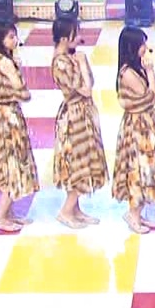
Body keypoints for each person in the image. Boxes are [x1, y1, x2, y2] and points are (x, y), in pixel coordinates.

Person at [112, 25, 155, 233]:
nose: (146, 48)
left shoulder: (135, 68)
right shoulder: (128, 73)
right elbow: (151, 96)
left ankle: (138, 213)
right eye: (142, 45)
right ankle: (133, 215)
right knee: (138, 170)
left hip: (145, 125)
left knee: (148, 169)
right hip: (137, 129)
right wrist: (150, 71)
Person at [0, 22, 40, 232]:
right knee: (12, 164)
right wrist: (18, 72)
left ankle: (9, 213)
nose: (15, 40)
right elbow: (23, 92)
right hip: (8, 118)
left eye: (15, 36)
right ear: (0, 40)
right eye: (10, 37)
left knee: (10, 162)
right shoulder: (5, 63)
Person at [50, 17, 107, 228]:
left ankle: (75, 210)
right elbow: (86, 88)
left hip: (81, 113)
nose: (80, 38)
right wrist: (82, 63)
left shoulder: (69, 57)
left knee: (83, 160)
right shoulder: (61, 63)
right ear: (65, 38)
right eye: (76, 33)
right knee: (78, 164)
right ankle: (66, 211)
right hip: (74, 118)